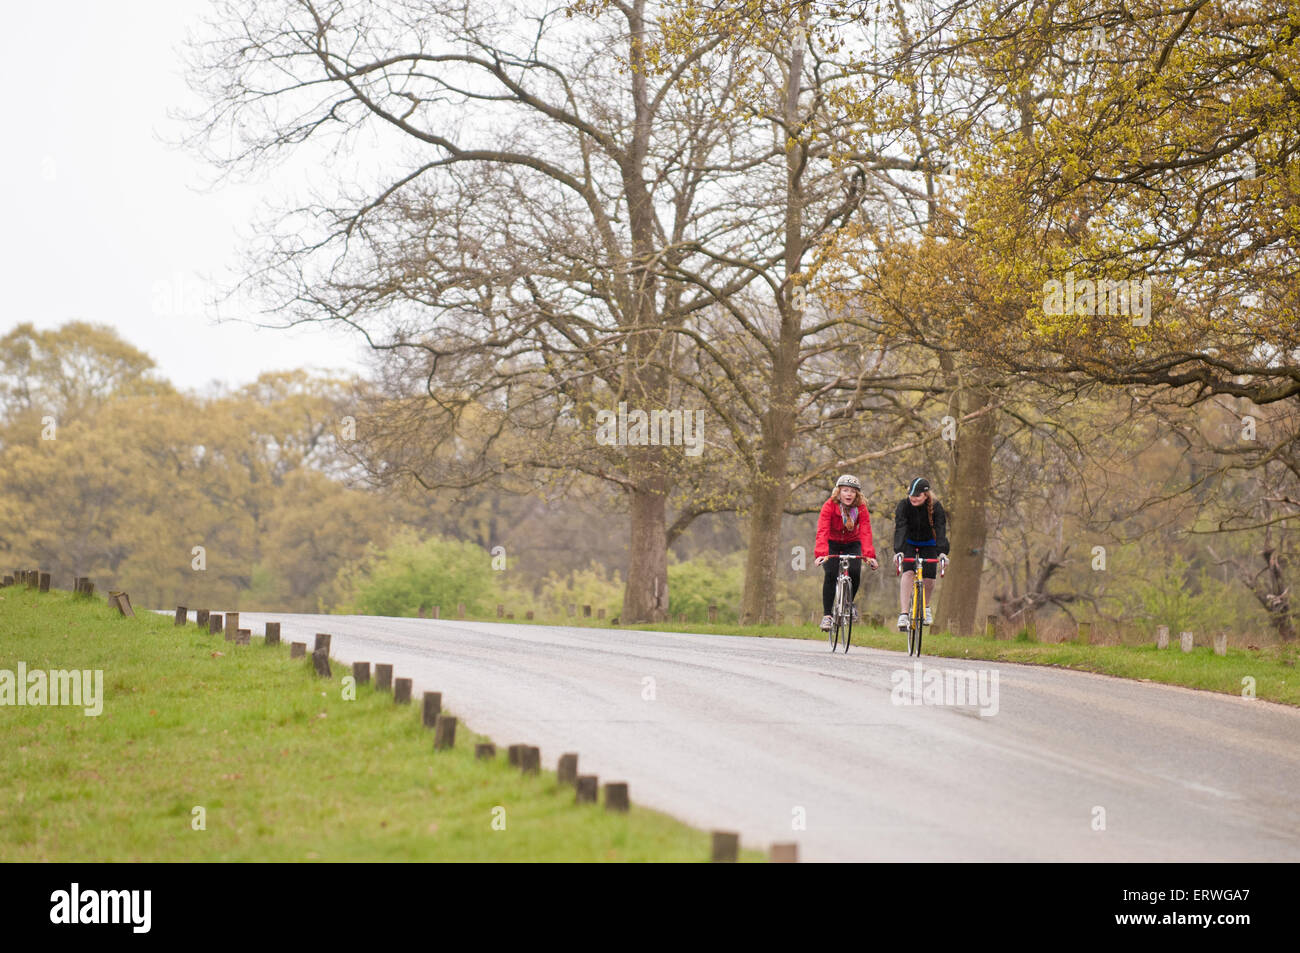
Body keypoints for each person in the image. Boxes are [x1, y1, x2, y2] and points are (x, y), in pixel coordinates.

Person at [814, 474, 878, 631]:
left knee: (855, 571)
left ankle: (848, 604)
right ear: (838, 492)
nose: (849, 494)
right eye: (845, 490)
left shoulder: (861, 508)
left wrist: (869, 556)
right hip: (832, 543)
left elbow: (865, 531)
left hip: (852, 543)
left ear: (857, 494)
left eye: (852, 491)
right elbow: (822, 530)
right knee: (830, 574)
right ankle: (827, 616)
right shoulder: (829, 506)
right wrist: (822, 553)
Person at [892, 477, 949, 630]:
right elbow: (900, 528)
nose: (913, 498)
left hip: (929, 543)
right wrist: (899, 551)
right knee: (908, 572)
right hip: (909, 542)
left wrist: (942, 552)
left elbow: (941, 529)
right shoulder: (904, 505)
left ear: (926, 495)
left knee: (929, 577)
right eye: (911, 494)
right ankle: (904, 613)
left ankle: (926, 606)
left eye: (917, 496)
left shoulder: (936, 507)